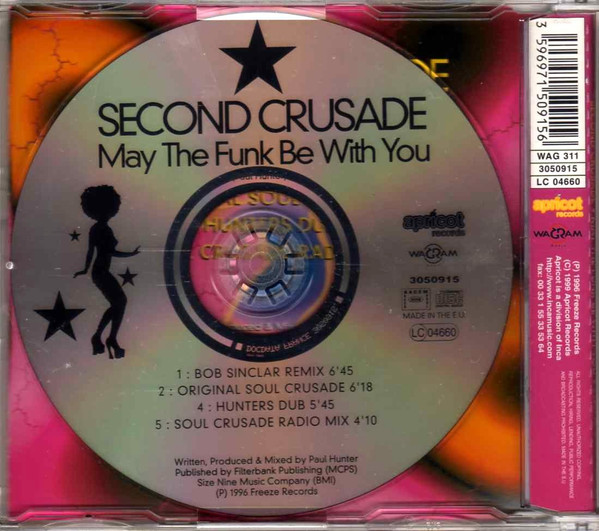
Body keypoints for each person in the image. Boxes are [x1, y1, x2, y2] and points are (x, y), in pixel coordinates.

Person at [74, 185, 139, 359]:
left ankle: (105, 338)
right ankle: (106, 338)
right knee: (120, 302)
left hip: (100, 271)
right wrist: (131, 254)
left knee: (119, 303)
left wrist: (85, 269)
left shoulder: (98, 228)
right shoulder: (101, 229)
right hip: (101, 272)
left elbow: (91, 251)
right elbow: (107, 252)